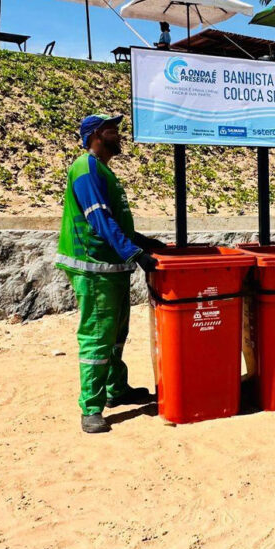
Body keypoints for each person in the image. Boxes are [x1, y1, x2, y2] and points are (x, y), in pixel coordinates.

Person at [56, 114, 166, 433]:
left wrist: (145, 243)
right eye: (110, 130)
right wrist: (136, 254)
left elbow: (116, 221)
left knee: (117, 334)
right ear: (93, 136)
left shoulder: (103, 170)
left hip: (112, 267)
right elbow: (99, 219)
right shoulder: (85, 167)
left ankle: (117, 390)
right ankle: (91, 407)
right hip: (95, 267)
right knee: (98, 336)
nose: (118, 134)